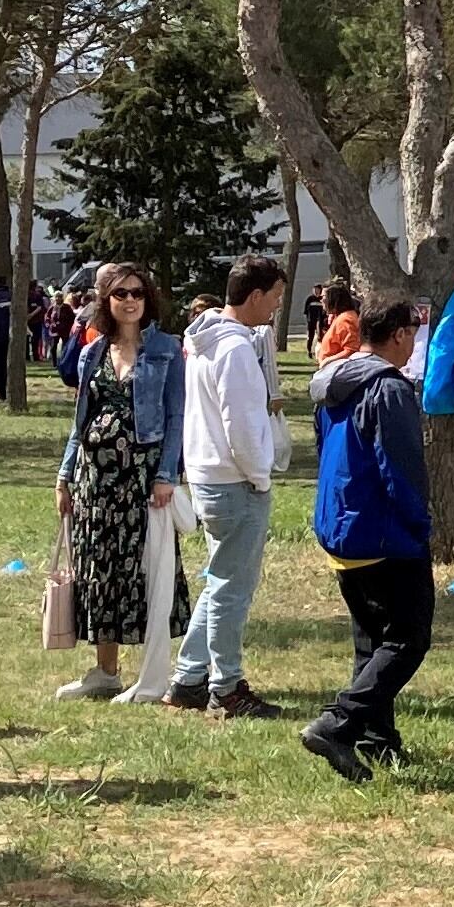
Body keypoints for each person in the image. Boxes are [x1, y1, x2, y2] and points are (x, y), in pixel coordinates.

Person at [303, 296, 432, 782]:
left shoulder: (333, 383)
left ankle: (378, 739)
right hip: (382, 532)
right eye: (413, 335)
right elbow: (399, 465)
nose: (413, 343)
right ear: (399, 334)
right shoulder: (389, 389)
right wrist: (419, 523)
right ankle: (337, 724)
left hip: (341, 526)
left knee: (371, 641)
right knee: (407, 639)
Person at [48, 263, 187, 704]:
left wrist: (166, 474)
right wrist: (65, 474)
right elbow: (79, 421)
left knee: (144, 571)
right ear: (106, 300)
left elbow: (175, 418)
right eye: (121, 293)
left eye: (138, 293)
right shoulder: (94, 352)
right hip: (95, 483)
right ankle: (105, 671)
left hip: (142, 481)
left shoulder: (166, 349)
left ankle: (150, 676)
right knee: (99, 572)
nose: (131, 300)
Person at [168, 255, 289, 719]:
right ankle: (227, 686)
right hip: (235, 480)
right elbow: (240, 423)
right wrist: (260, 475)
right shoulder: (236, 349)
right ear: (255, 296)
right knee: (231, 590)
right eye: (276, 296)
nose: (279, 306)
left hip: (209, 474)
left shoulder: (206, 339)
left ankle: (188, 677)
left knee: (221, 581)